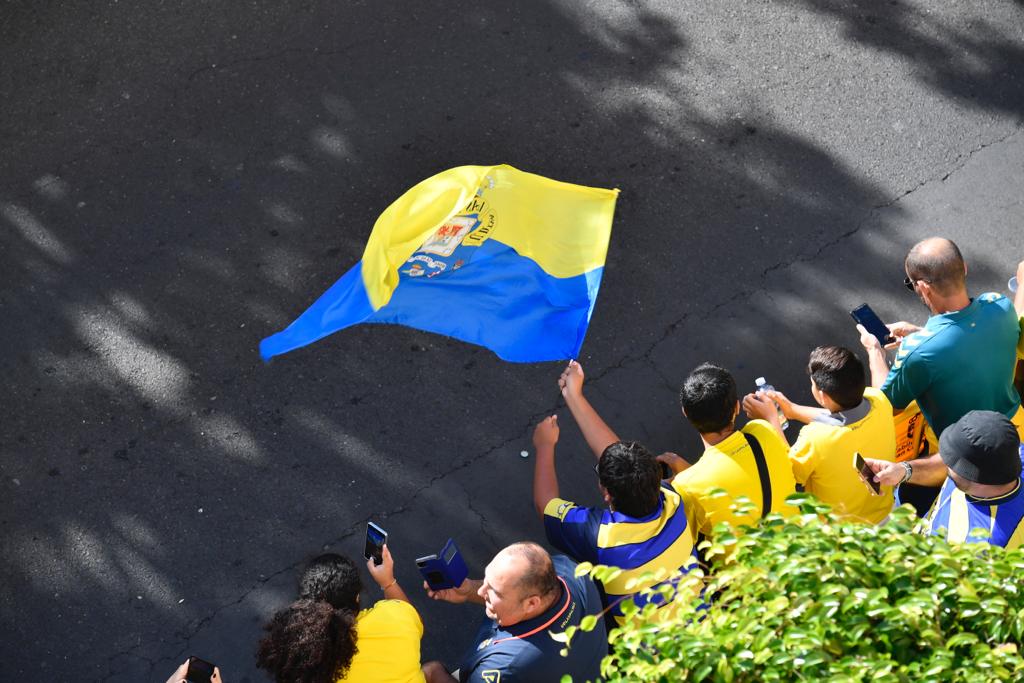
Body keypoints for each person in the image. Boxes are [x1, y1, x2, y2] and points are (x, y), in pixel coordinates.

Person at [558, 360, 796, 540]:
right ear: (736, 407)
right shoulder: (762, 433)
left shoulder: (689, 486)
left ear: (685, 413)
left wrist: (574, 396)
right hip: (799, 548)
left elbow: (625, 471)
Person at [531, 413, 697, 627]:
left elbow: (544, 506)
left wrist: (545, 445)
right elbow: (629, 466)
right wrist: (574, 396)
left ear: (606, 493)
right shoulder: (673, 499)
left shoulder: (600, 537)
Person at [858, 238, 1022, 442]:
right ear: (964, 268)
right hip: (1015, 425)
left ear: (924, 287)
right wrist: (919, 333)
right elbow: (971, 335)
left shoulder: (917, 351)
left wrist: (875, 351)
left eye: (911, 285)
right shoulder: (1000, 305)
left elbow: (885, 408)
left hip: (966, 448)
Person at [742, 346, 897, 524]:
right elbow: (839, 418)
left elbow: (790, 473)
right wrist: (791, 410)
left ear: (822, 396)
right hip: (886, 514)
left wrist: (771, 419)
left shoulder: (816, 438)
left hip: (840, 533)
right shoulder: (879, 400)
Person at [420, 542, 606, 683]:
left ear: (532, 604)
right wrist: (468, 589)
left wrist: (435, 673)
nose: (481, 591)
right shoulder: (568, 571)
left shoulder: (505, 665)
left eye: (493, 590)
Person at [256, 546, 426, 683]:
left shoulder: (310, 665)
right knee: (433, 669)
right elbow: (410, 615)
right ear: (357, 598)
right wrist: (388, 582)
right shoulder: (396, 617)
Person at [866, 411, 1024, 550]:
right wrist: (904, 470)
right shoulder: (1012, 453)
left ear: (972, 474)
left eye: (952, 459)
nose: (946, 461)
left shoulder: (980, 546)